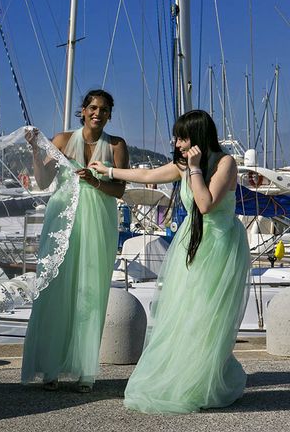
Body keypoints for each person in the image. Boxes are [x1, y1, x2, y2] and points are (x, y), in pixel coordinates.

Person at [90, 110, 251, 414]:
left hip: (219, 247)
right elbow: (148, 175)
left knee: (208, 316)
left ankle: (205, 379)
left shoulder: (225, 163)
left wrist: (193, 168)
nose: (177, 143)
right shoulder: (184, 164)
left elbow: (204, 204)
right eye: (176, 137)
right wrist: (109, 172)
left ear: (199, 137)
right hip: (191, 244)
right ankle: (186, 375)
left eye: (182, 137)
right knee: (184, 312)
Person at [21, 89, 129, 392]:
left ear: (109, 114)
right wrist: (34, 150)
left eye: (104, 109)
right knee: (55, 289)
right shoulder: (62, 140)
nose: (98, 113)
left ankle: (84, 371)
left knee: (90, 293)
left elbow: (120, 191)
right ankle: (50, 369)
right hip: (62, 217)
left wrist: (96, 182)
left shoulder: (117, 146)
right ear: (82, 110)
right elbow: (43, 182)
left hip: (99, 221)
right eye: (93, 107)